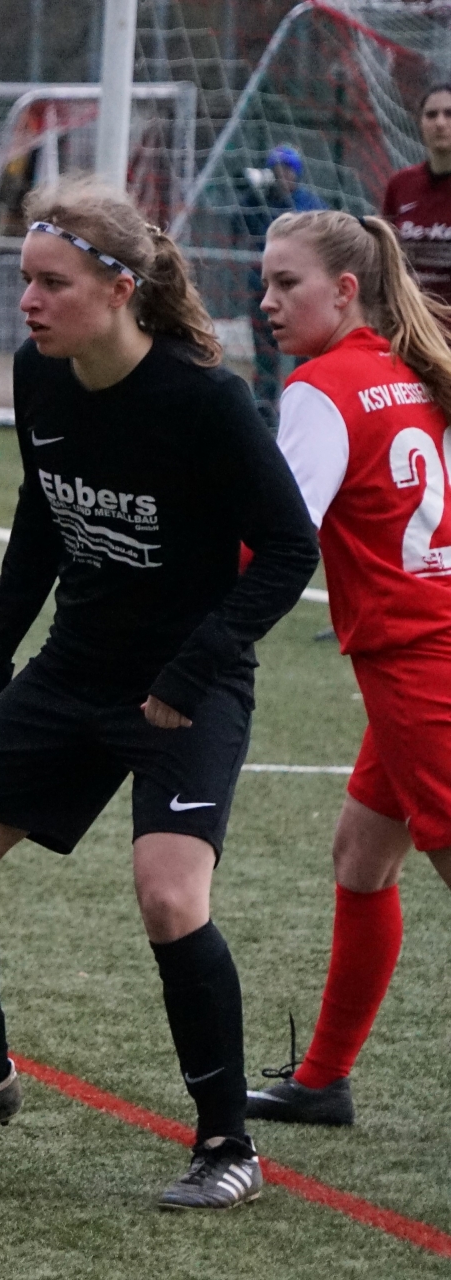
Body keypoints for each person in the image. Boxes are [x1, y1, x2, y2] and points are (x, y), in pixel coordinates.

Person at [0, 178, 319, 1210]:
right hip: (75, 667)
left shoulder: (205, 398)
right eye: (24, 279)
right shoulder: (41, 374)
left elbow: (290, 551)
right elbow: (42, 506)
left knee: (170, 897)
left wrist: (188, 673)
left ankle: (227, 1145)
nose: (27, 301)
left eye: (51, 283)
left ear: (119, 290)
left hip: (187, 683)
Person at [246, 211, 451, 1126]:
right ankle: (324, 1080)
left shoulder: (324, 386)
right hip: (421, 649)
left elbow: (279, 535)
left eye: (286, 283)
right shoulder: (413, 369)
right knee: (361, 858)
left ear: (344, 291)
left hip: (421, 663)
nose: (266, 300)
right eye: (265, 280)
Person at [238, 145, 328, 412]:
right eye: (276, 169)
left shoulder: (310, 204)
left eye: (287, 169)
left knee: (303, 352)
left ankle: (302, 404)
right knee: (265, 354)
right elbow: (238, 223)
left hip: (299, 293)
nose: (282, 175)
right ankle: (265, 410)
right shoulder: (258, 201)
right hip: (263, 290)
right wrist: (249, 190)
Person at [380, 83, 451, 309]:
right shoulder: (400, 184)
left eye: (449, 114)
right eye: (431, 115)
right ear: (420, 123)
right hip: (411, 319)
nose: (440, 123)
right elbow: (386, 254)